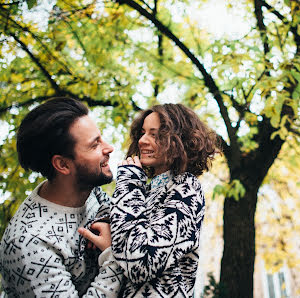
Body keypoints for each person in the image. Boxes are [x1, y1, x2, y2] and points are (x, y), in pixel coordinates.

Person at [82, 103, 219, 297]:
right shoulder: (145, 188)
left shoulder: (186, 188)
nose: (142, 140)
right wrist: (105, 222)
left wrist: (129, 181)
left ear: (179, 140)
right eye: (143, 132)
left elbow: (141, 262)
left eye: (155, 135)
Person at [0, 97, 123, 297]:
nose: (109, 148)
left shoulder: (88, 188)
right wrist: (114, 257)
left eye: (101, 138)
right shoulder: (29, 243)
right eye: (94, 145)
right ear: (63, 165)